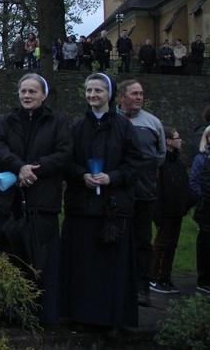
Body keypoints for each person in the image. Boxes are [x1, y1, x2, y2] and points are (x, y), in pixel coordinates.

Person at [60, 73, 143, 336]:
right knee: (83, 268)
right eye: (89, 90)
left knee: (111, 270)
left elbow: (135, 163)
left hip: (113, 208)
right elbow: (65, 162)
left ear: (109, 94)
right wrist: (81, 175)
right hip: (83, 208)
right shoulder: (76, 127)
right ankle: (80, 316)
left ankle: (112, 319)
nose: (93, 95)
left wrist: (112, 177)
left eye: (98, 90)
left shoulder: (124, 127)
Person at [0, 73, 72, 324]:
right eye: (23, 91)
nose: (27, 96)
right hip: (9, 201)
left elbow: (64, 152)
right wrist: (18, 166)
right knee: (5, 256)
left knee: (39, 261)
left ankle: (37, 313)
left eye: (32, 91)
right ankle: (2, 309)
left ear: (43, 95)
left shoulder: (57, 122)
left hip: (41, 199)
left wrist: (34, 168)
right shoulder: (8, 120)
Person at [116, 79, 166, 307]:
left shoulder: (153, 123)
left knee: (142, 241)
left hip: (144, 192)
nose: (138, 97)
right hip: (116, 193)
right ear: (121, 97)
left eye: (141, 94)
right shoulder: (112, 120)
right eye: (134, 94)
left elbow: (161, 155)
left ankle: (141, 287)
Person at [150, 126, 194, 294]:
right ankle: (153, 275)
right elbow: (159, 189)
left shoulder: (177, 162)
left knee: (172, 245)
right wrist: (158, 212)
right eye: (177, 138)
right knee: (162, 243)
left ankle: (165, 275)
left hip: (177, 210)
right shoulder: (161, 163)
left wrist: (187, 202)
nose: (180, 140)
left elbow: (183, 184)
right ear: (168, 141)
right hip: (165, 210)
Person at [189, 126, 210, 295]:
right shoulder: (201, 159)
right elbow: (194, 181)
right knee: (205, 242)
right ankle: (203, 279)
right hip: (207, 206)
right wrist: (203, 198)